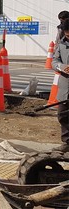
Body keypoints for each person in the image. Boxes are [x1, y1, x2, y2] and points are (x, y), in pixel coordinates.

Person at [51, 18, 69, 152]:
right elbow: (54, 60)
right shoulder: (61, 44)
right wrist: (62, 67)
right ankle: (67, 143)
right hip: (65, 88)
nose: (68, 36)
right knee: (63, 115)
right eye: (66, 34)